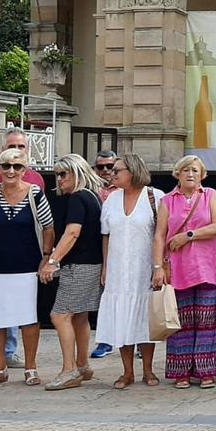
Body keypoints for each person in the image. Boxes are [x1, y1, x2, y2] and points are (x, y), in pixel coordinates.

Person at [0, 147, 56, 388]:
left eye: (17, 166)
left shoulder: (34, 193)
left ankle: (30, 368)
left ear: (25, 170)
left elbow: (49, 227)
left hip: (26, 265)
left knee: (28, 318)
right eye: (6, 166)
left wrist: (46, 256)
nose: (11, 171)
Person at [152, 155, 216, 389]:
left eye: (194, 170)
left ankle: (205, 371)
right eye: (185, 170)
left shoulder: (210, 195)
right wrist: (157, 267)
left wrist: (189, 235)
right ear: (177, 174)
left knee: (206, 321)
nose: (190, 174)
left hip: (206, 268)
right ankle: (181, 371)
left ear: (202, 174)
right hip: (178, 268)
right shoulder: (167, 200)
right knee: (180, 322)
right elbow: (159, 236)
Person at [95, 153, 163, 388]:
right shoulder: (111, 200)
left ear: (132, 172)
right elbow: (106, 236)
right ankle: (127, 372)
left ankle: (148, 369)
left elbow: (161, 235)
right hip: (117, 267)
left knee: (144, 318)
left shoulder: (155, 197)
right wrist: (105, 266)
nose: (112, 174)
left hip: (144, 266)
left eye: (117, 170)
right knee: (122, 317)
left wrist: (159, 267)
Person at [38, 154, 105, 390]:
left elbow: (72, 233)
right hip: (91, 265)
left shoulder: (78, 198)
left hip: (79, 266)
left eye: (63, 173)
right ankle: (83, 365)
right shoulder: (92, 197)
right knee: (79, 316)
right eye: (57, 174)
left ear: (77, 172)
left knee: (60, 315)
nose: (59, 179)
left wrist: (52, 261)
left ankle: (69, 371)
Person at [90, 149, 118, 360]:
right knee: (104, 297)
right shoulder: (91, 190)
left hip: (123, 246)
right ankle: (105, 341)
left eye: (111, 166)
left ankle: (137, 342)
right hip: (97, 247)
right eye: (102, 167)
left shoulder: (127, 189)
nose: (107, 171)